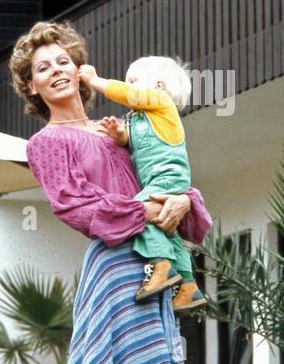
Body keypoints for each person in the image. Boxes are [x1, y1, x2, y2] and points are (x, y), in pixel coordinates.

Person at [11, 19, 223, 364]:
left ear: (80, 70)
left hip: (158, 269)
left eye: (61, 62)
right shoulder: (47, 143)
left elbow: (168, 172)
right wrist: (150, 211)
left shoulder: (126, 126)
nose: (54, 73)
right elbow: (74, 206)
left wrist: (181, 201)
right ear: (31, 87)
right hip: (114, 275)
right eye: (41, 69)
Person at [77, 56, 208, 314]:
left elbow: (127, 95)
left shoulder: (161, 102)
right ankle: (189, 287)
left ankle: (161, 267)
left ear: (158, 85)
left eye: (134, 81)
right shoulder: (140, 119)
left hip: (168, 176)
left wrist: (95, 81)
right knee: (167, 232)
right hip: (159, 180)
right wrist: (120, 136)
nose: (129, 86)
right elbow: (133, 139)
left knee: (137, 211)